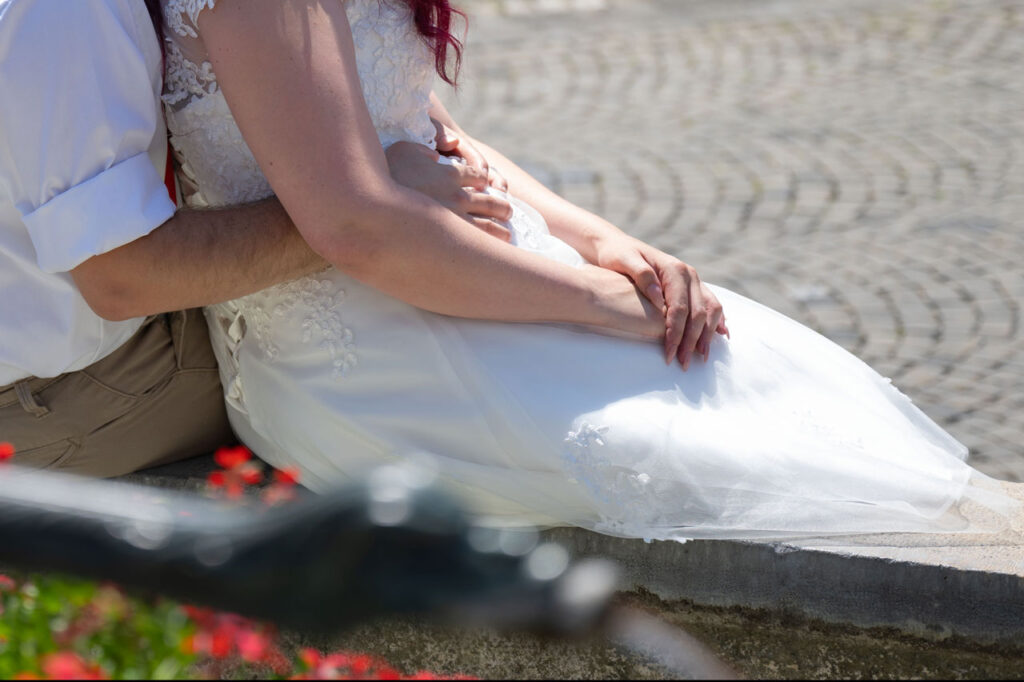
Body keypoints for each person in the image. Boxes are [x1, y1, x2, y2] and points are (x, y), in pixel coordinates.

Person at [153, 0, 1017, 541]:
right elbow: (360, 231)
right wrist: (601, 302)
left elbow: (414, 122)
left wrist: (600, 239)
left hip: (454, 268)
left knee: (743, 360)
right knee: (696, 431)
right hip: (368, 352)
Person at [0, 0, 511, 477]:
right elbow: (121, 279)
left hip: (92, 344)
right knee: (397, 397)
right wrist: (365, 204)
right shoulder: (69, 12)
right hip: (70, 392)